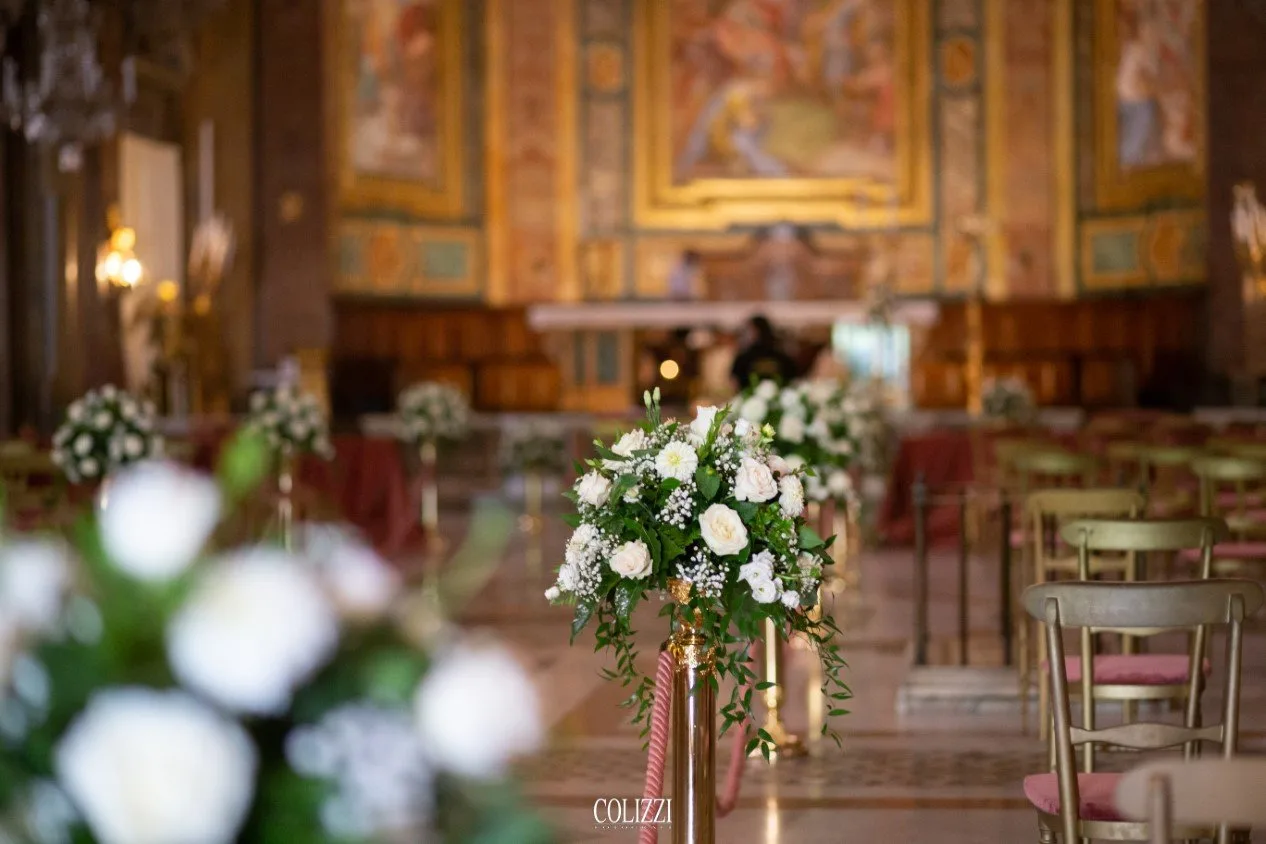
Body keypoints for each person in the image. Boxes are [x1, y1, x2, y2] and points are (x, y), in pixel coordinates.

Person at [730, 315, 797, 388]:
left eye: (747, 331)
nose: (745, 335)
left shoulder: (745, 357)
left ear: (756, 331)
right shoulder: (781, 355)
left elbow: (735, 382)